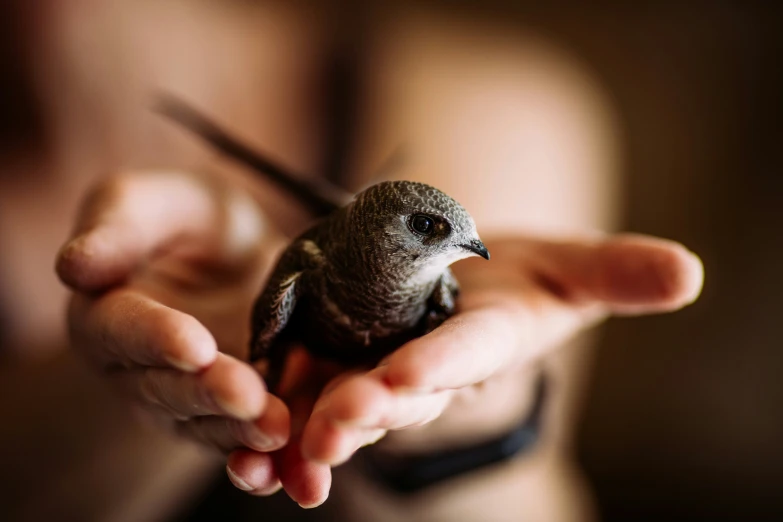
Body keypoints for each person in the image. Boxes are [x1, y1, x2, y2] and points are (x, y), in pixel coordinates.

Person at [4, 3, 703, 521]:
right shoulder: (304, 265)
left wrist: (468, 418)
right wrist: (141, 385)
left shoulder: (481, 105)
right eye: (434, 231)